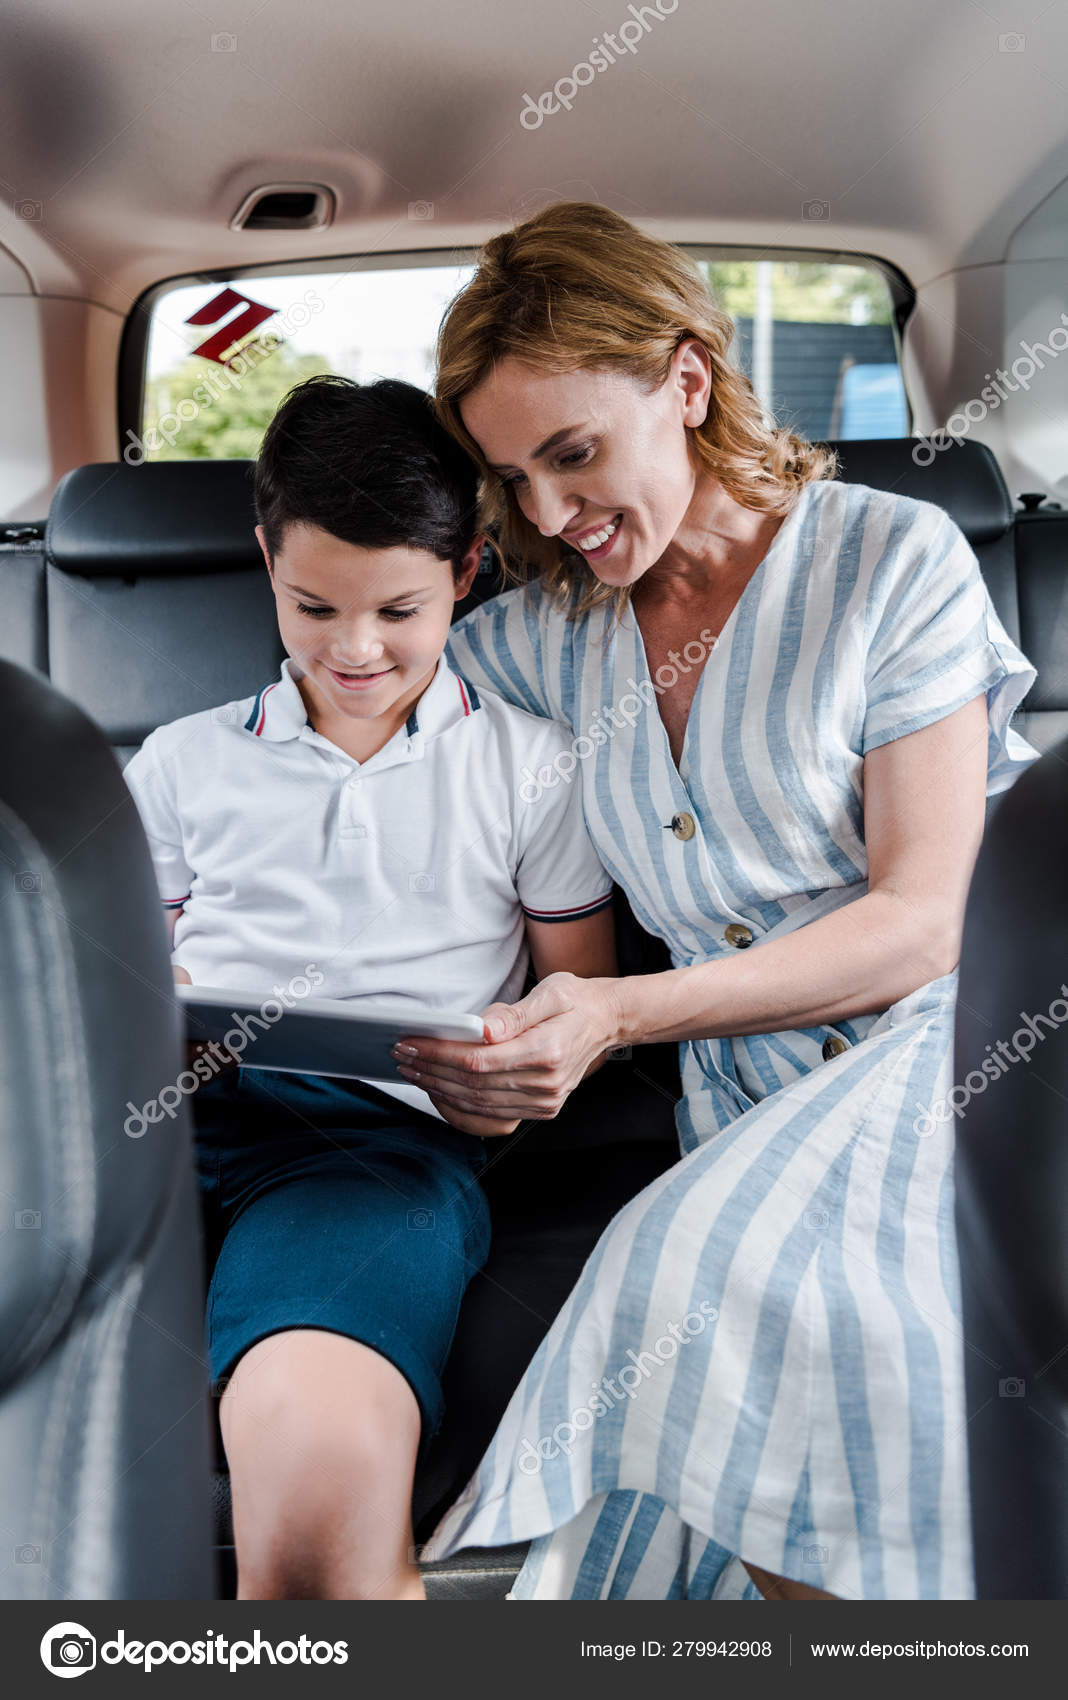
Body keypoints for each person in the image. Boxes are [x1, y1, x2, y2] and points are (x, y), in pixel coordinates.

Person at [384, 203, 1040, 1601]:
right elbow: (364, 751)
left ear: (688, 379)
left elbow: (927, 920)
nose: (553, 517)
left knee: (697, 1271)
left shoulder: (890, 562)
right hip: (744, 1098)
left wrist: (614, 1013)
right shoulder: (533, 644)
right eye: (515, 477)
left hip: (961, 1047)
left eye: (575, 455)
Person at [122, 375, 617, 1601]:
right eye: (311, 605)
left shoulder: (534, 766)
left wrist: (516, 1078)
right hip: (145, 1125)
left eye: (398, 608)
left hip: (372, 1146)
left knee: (312, 1536)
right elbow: (131, 976)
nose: (353, 650)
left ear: (468, 569)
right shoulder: (180, 763)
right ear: (265, 561)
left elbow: (578, 1008)